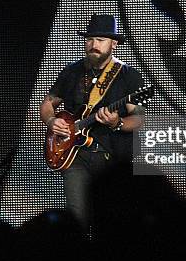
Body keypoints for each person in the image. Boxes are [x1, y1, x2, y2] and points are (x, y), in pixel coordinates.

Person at [40, 14, 146, 231]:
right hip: (75, 156)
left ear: (113, 44)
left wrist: (117, 123)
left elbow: (139, 120)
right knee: (77, 218)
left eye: (100, 40)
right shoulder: (72, 71)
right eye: (90, 39)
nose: (93, 45)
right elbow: (48, 103)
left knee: (108, 219)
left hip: (111, 159)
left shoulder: (129, 76)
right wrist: (51, 121)